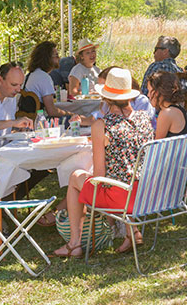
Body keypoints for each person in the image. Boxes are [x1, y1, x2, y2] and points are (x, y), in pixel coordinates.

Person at [53, 68, 154, 258]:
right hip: (147, 193)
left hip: (122, 197)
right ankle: (133, 232)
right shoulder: (144, 119)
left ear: (106, 98)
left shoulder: (101, 125)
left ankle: (74, 244)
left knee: (75, 177)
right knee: (126, 172)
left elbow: (100, 175)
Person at [23, 41, 76, 118]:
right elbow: (51, 111)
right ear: (48, 58)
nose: (59, 58)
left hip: (29, 117)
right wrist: (71, 114)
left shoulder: (31, 74)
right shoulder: (44, 77)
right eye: (56, 55)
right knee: (76, 120)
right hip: (37, 121)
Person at [149, 71, 187, 139]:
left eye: (149, 91)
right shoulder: (179, 108)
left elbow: (155, 144)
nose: (148, 95)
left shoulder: (166, 113)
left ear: (157, 92)